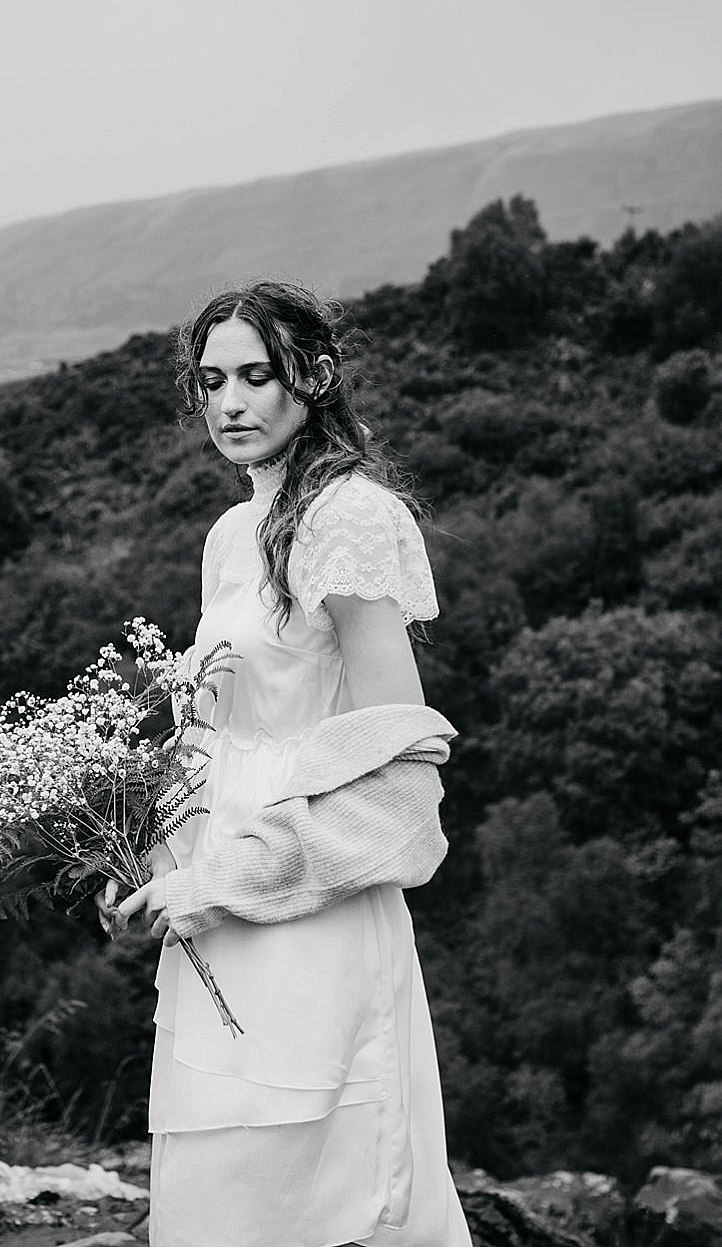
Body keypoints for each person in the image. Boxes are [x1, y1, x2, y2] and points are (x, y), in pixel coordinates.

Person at [106, 281, 473, 1246]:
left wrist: (230, 878)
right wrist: (154, 870)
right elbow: (208, 739)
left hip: (308, 910)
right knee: (221, 1192)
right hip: (211, 918)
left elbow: (400, 779)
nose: (230, 402)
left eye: (256, 376)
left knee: (312, 1190)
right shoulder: (230, 535)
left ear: (312, 378)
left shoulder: (350, 516)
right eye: (212, 379)